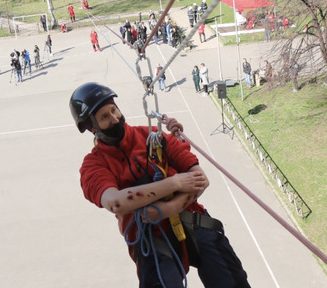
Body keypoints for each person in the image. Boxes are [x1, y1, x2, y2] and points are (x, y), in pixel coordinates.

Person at [70, 83, 251, 288]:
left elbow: (201, 178)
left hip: (190, 218)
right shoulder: (94, 165)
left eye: (114, 110)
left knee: (231, 278)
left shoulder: (154, 137)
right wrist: (174, 182)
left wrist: (167, 209)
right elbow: (116, 203)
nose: (115, 118)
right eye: (104, 117)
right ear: (91, 127)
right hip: (149, 237)